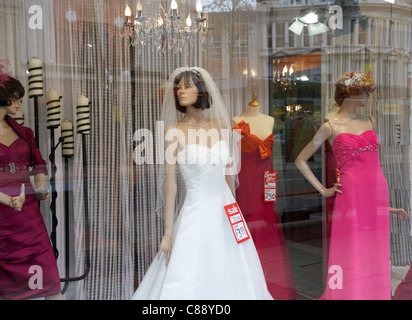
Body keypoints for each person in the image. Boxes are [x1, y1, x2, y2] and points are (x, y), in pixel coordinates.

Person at [131, 67, 273, 300]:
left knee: (233, 269)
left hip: (225, 210)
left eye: (187, 86)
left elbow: (228, 174)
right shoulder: (172, 131)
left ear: (202, 90)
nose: (180, 92)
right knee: (189, 271)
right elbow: (171, 183)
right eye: (178, 87)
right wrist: (168, 232)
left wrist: (235, 213)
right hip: (195, 212)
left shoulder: (222, 127)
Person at [295, 71, 406, 300]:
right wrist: (323, 190)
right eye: (364, 92)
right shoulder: (329, 127)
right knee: (352, 250)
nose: (368, 97)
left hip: (377, 192)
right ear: (351, 93)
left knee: (375, 250)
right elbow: (300, 159)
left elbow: (374, 165)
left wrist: (387, 207)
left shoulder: (370, 121)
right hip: (351, 195)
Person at [0, 62, 62, 299]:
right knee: (4, 292)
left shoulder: (25, 132)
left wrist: (39, 187)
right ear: (0, 99)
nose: (19, 103)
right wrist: (7, 201)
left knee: (51, 283)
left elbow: (39, 165)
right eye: (16, 98)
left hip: (29, 219)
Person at [231, 94, 297, 300]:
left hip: (266, 176)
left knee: (267, 220)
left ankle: (270, 276)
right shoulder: (235, 121)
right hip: (246, 178)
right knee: (249, 219)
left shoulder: (269, 120)